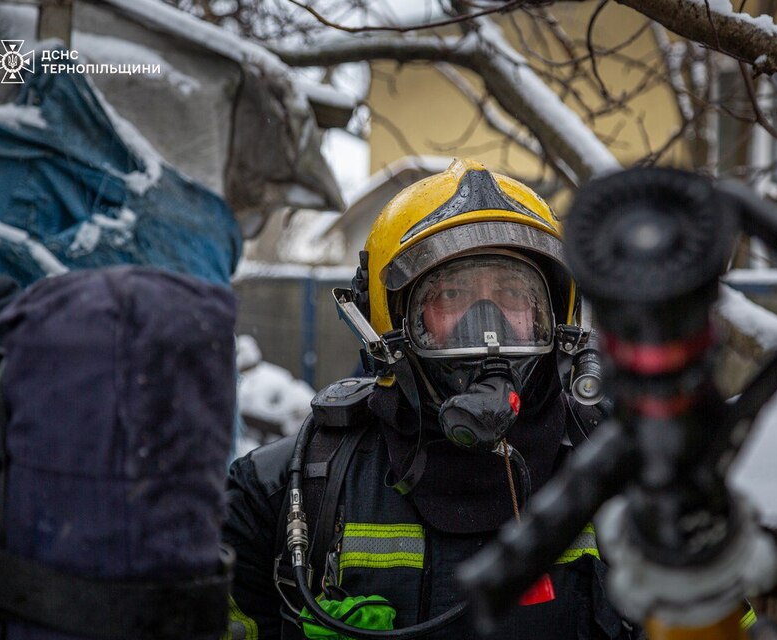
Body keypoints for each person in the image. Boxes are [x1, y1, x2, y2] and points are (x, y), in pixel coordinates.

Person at [222, 159, 642, 639]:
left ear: (554, 319)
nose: (486, 327)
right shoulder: (281, 493)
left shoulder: (630, 478)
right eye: (451, 294)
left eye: (513, 293)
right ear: (389, 323)